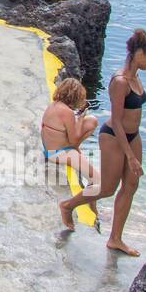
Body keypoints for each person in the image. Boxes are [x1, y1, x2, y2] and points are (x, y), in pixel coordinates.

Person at [60, 29, 146, 256]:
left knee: (131, 185)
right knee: (107, 188)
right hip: (114, 136)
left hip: (134, 136)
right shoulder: (120, 81)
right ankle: (68, 205)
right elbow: (117, 121)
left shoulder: (136, 78)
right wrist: (130, 157)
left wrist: (134, 152)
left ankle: (116, 238)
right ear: (139, 53)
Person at [41, 77, 101, 210]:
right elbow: (73, 139)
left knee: (92, 121)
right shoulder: (67, 112)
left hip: (52, 148)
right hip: (59, 153)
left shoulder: (54, 105)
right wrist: (79, 119)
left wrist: (80, 119)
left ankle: (89, 202)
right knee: (98, 181)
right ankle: (91, 208)